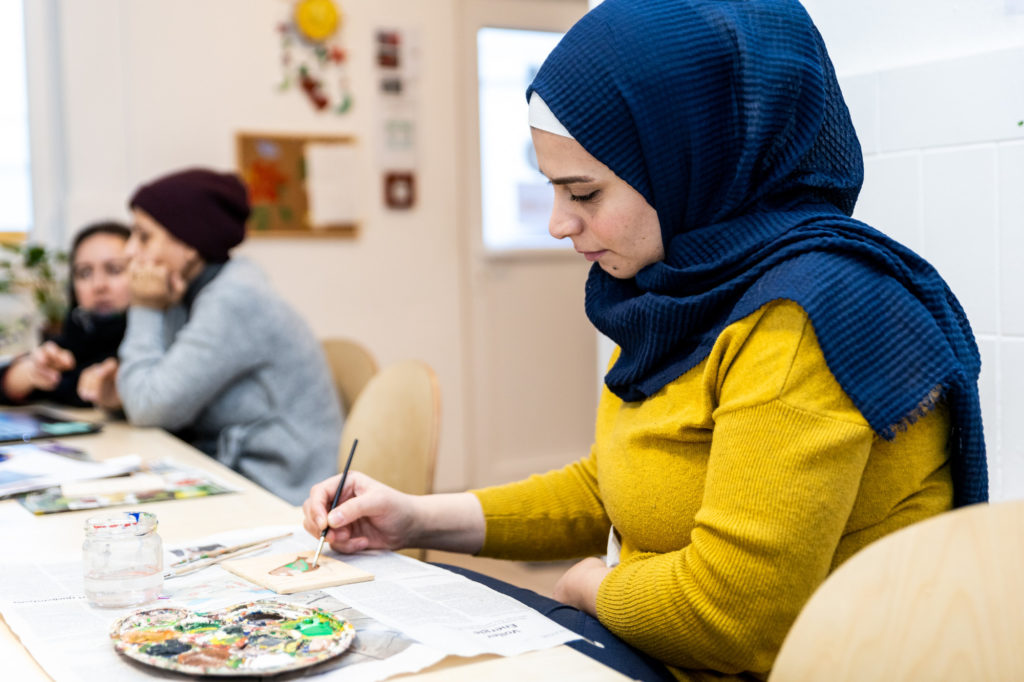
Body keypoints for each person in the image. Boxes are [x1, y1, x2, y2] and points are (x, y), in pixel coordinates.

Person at [302, 1, 987, 679]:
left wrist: (586, 588)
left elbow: (732, 618)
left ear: (692, 159)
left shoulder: (805, 311)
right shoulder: (683, 288)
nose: (558, 224)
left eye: (585, 193)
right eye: (554, 189)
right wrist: (412, 518)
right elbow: (613, 488)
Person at [85, 167, 343, 505]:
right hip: (230, 473)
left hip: (284, 494)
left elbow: (150, 408)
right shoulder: (192, 291)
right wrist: (121, 397)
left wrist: (146, 305)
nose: (130, 251)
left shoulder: (235, 300)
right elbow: (156, 394)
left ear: (190, 245)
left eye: (144, 236)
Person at [0, 222, 131, 407]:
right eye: (84, 273)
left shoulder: (156, 340)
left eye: (114, 270)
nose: (99, 285)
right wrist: (30, 372)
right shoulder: (76, 334)